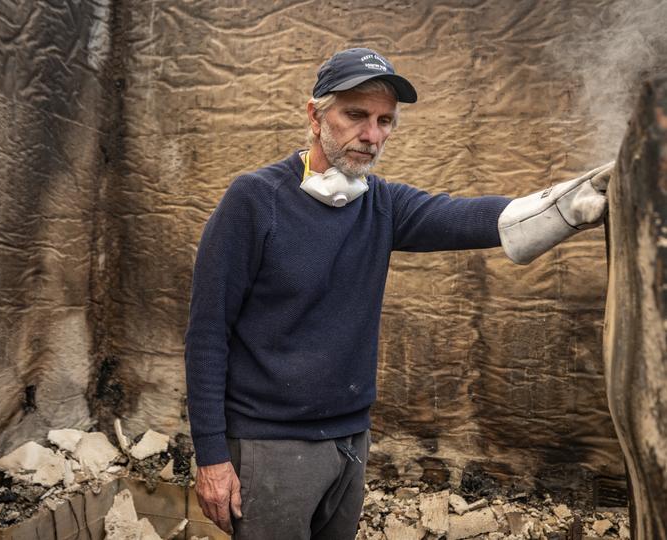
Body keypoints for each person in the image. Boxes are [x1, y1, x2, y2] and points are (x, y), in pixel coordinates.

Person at [184, 47, 612, 539]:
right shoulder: (255, 199)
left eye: (386, 120)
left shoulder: (380, 204)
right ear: (315, 113)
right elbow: (207, 333)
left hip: (351, 439)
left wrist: (568, 205)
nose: (372, 135)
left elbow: (467, 217)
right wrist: (212, 456)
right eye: (356, 115)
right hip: (271, 445)